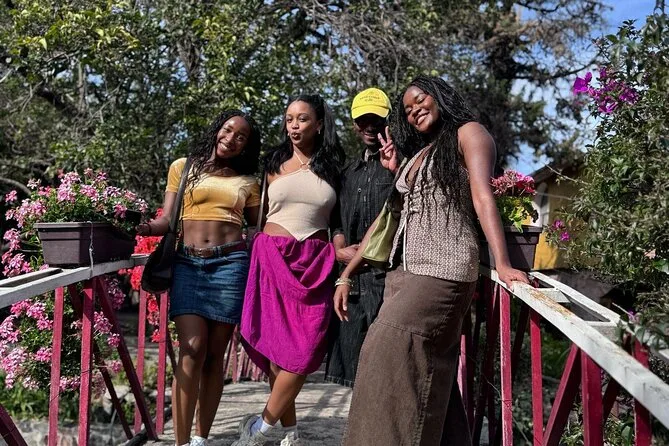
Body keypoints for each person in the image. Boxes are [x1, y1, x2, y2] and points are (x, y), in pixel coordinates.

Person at [335, 75, 530, 445]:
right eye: (407, 110)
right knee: (423, 369)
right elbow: (387, 219)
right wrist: (347, 274)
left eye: (420, 100)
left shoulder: (469, 133)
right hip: (403, 274)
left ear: (440, 96)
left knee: (385, 353)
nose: (414, 111)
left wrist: (503, 263)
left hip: (442, 270)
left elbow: (482, 197)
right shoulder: (421, 153)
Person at [137, 110, 262, 446]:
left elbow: (258, 229)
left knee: (214, 357)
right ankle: (181, 443)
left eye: (241, 137)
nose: (231, 139)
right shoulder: (183, 167)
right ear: (217, 129)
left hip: (230, 265)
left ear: (246, 146)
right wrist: (144, 227)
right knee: (192, 349)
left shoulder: (248, 182)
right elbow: (167, 219)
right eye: (228, 130)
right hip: (188, 264)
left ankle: (200, 439)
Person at [233, 94, 346, 446]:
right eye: (289, 119)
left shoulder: (334, 167)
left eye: (303, 119)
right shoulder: (273, 161)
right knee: (277, 352)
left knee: (304, 351)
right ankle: (290, 433)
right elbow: (257, 211)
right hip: (271, 258)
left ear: (319, 124)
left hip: (316, 263)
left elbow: (338, 223)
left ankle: (260, 430)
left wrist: (342, 251)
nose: (294, 126)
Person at [325, 87, 397, 387]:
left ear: (388, 121)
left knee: (388, 369)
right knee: (352, 372)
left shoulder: (399, 165)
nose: (369, 127)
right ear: (355, 124)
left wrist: (395, 168)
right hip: (352, 282)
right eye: (363, 120)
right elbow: (336, 222)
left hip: (387, 278)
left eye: (376, 120)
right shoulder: (347, 173)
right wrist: (339, 248)